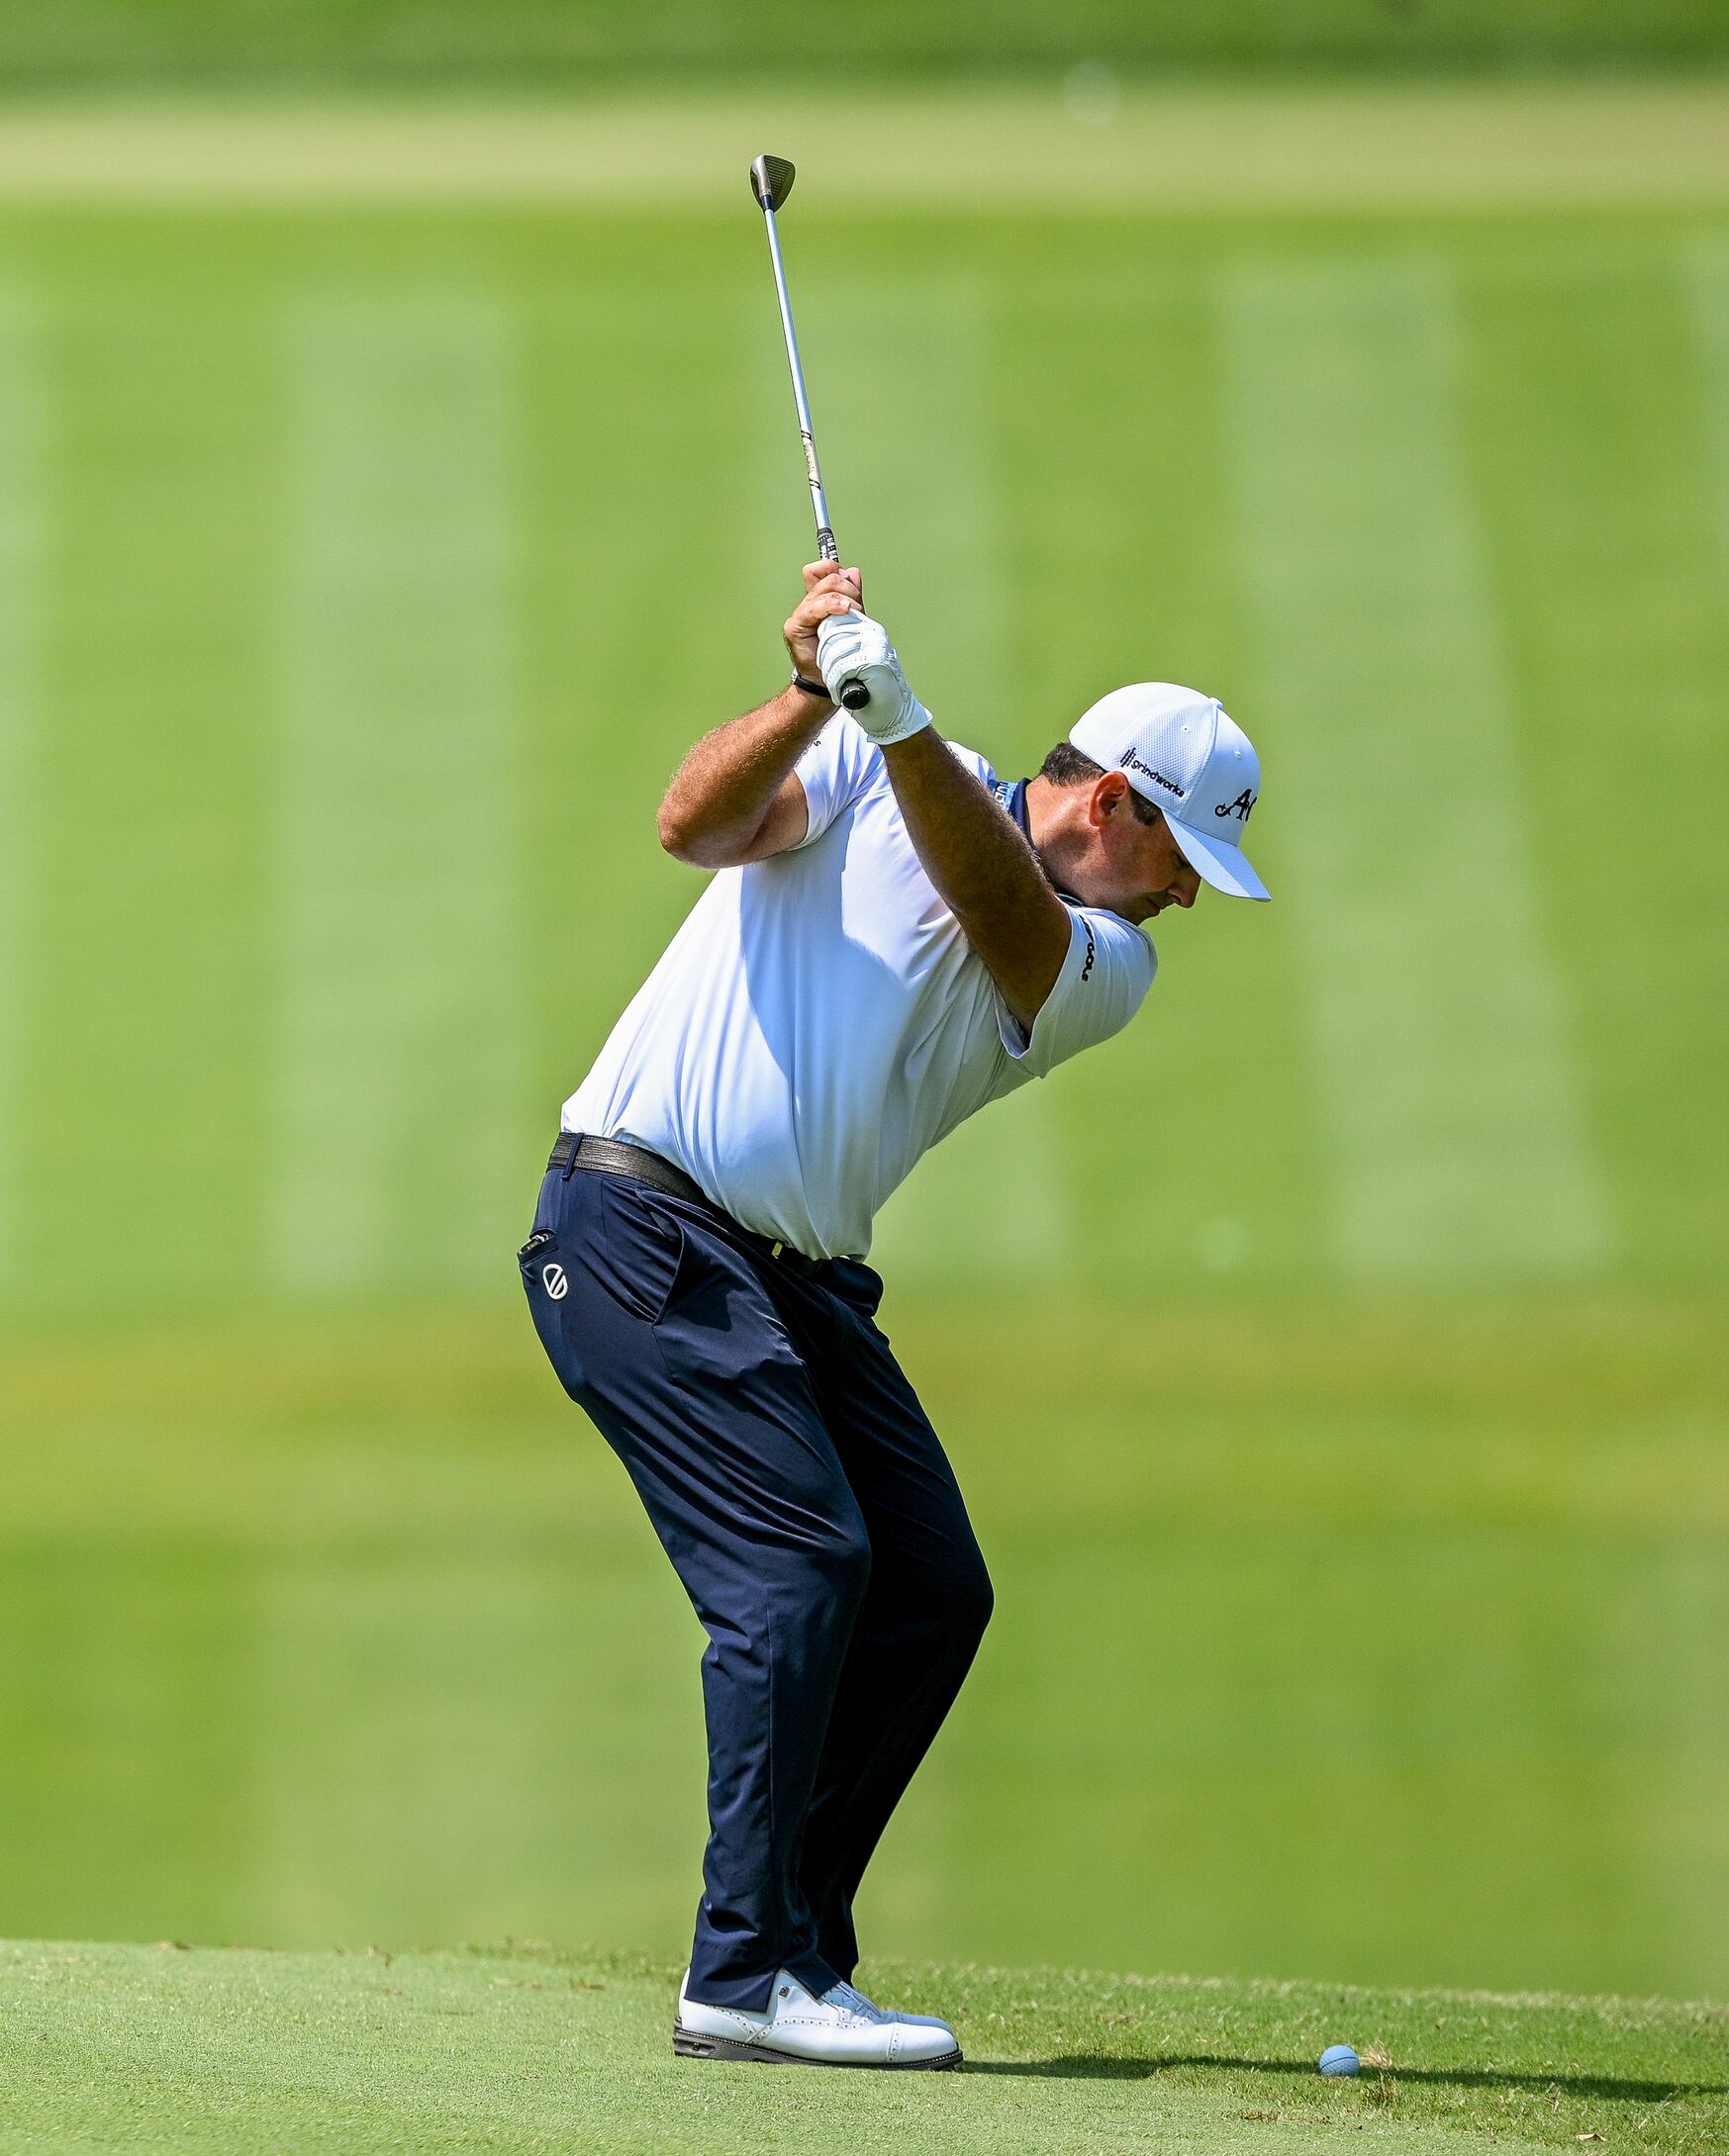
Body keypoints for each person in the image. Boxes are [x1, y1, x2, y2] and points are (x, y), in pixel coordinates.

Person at [535, 564, 1269, 2070]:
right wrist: (815, 698)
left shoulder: (1101, 964)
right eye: (1182, 851)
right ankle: (740, 1982)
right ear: (1115, 804)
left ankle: (802, 1951)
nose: (1188, 893)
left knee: (931, 1588)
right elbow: (692, 824)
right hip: (636, 1222)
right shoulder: (866, 772)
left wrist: (897, 717)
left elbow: (998, 908)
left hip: (794, 1278)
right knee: (803, 1567)